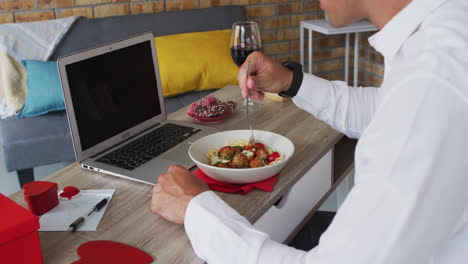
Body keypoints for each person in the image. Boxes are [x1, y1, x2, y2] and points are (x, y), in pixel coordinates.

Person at [151, 0, 468, 262]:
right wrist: (291, 82)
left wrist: (198, 210)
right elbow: (384, 112)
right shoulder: (445, 33)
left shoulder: (431, 82)